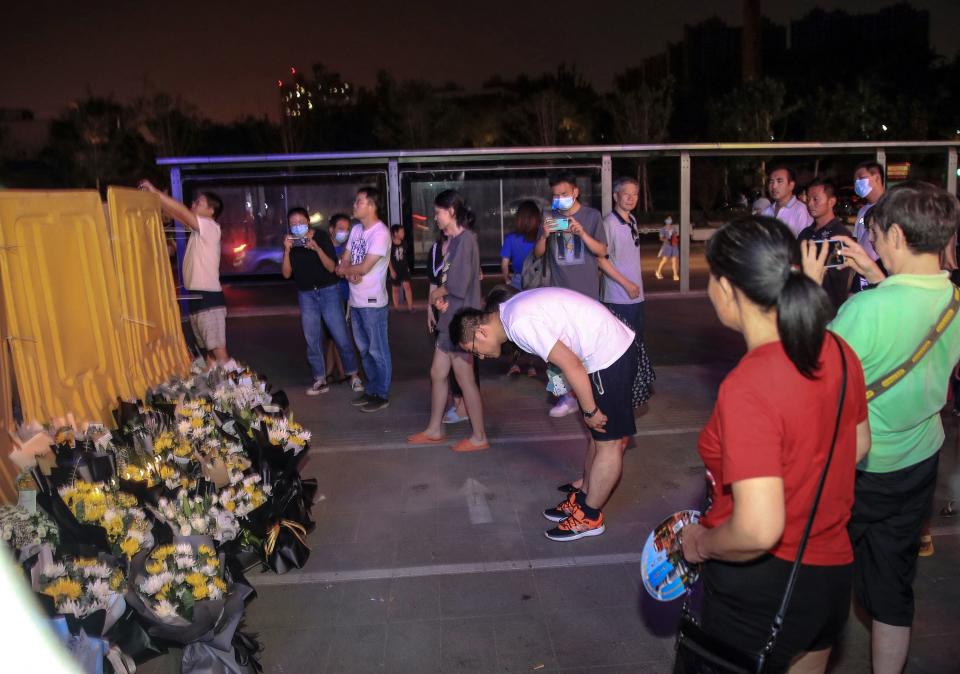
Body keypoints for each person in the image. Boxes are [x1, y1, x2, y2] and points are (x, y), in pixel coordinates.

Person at [679, 215, 870, 673]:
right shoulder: (838, 349)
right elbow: (859, 445)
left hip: (760, 589)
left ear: (728, 289)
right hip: (829, 575)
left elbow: (759, 529)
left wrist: (700, 544)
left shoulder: (749, 383)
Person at [802, 181, 960, 674]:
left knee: (818, 577)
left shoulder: (864, 311)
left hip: (860, 468)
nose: (871, 246)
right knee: (892, 582)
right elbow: (913, 319)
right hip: (920, 461)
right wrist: (877, 274)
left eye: (875, 237)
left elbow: (810, 371)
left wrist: (807, 288)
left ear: (894, 234)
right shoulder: (954, 299)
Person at [452, 286, 653, 541]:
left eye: (473, 350)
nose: (478, 356)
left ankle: (590, 517)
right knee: (598, 438)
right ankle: (583, 501)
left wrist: (589, 409)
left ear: (480, 332)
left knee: (609, 443)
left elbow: (571, 364)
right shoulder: (511, 314)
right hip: (601, 352)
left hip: (608, 355)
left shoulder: (519, 323)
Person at [407, 190, 488, 452]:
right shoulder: (454, 241)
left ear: (452, 211)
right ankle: (434, 429)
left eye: (438, 212)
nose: (435, 217)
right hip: (450, 318)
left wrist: (438, 296)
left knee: (465, 380)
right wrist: (441, 301)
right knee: (437, 373)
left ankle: (479, 437)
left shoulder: (466, 240)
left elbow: (458, 284)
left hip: (461, 324)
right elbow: (450, 284)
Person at [533, 171, 608, 418]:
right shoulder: (549, 216)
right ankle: (563, 396)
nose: (559, 200)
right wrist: (544, 235)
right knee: (556, 351)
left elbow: (602, 251)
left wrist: (582, 234)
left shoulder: (592, 216)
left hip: (587, 297)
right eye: (555, 196)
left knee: (588, 350)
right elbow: (539, 253)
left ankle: (589, 394)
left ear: (576, 192)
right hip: (558, 296)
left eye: (564, 195)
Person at [138, 179, 229, 364]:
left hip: (208, 299)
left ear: (211, 211)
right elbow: (177, 213)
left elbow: (180, 211)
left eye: (199, 202)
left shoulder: (210, 227)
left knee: (220, 355)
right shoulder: (198, 230)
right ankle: (220, 392)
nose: (193, 204)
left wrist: (155, 191)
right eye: (194, 202)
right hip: (199, 299)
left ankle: (243, 392)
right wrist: (157, 198)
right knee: (210, 357)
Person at [281, 207, 363, 396]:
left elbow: (331, 266)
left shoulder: (322, 237)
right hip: (306, 294)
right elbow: (286, 273)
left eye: (300, 222)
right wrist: (286, 250)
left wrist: (316, 248)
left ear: (308, 222)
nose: (297, 226)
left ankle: (354, 375)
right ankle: (319, 378)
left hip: (328, 291)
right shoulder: (291, 243)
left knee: (340, 334)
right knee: (312, 337)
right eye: (293, 223)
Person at [337, 187, 392, 413]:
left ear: (371, 205)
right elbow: (345, 259)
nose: (354, 205)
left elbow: (365, 266)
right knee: (364, 350)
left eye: (359, 201)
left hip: (373, 302)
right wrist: (349, 270)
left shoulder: (380, 233)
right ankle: (371, 390)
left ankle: (382, 393)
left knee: (378, 350)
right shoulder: (357, 230)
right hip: (356, 300)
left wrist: (348, 270)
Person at [797, 178, 853, 312]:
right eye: (808, 199)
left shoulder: (840, 234)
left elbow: (839, 276)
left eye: (816, 199)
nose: (810, 204)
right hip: (806, 304)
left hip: (829, 308)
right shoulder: (805, 233)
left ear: (831, 201)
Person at [600, 178, 645, 339]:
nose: (631, 198)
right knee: (622, 344)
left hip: (635, 294)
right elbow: (600, 259)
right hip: (618, 297)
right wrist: (627, 284)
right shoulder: (609, 223)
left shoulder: (632, 220)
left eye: (635, 194)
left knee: (636, 342)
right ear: (615, 196)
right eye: (626, 194)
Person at [762, 165, 813, 238]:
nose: (774, 186)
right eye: (771, 181)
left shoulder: (801, 210)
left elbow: (805, 242)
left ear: (791, 185)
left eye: (779, 181)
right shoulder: (766, 212)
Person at [500, 200, 539, 291]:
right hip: (538, 278)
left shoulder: (510, 238)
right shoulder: (541, 237)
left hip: (518, 279)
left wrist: (507, 279)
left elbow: (504, 264)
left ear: (519, 218)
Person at [388, 224, 414, 312]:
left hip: (404, 268)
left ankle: (410, 307)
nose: (403, 234)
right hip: (395, 268)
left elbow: (406, 256)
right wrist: (391, 271)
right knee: (395, 288)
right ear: (395, 233)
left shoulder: (404, 243)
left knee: (407, 286)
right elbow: (388, 258)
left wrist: (407, 267)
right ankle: (396, 308)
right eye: (401, 232)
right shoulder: (389, 244)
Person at [655, 216, 680, 281]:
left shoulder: (674, 228)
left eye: (670, 220)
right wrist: (667, 240)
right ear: (666, 222)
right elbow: (661, 238)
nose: (669, 222)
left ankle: (675, 275)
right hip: (667, 246)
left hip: (674, 246)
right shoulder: (663, 229)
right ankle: (658, 272)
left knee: (674, 261)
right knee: (664, 260)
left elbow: (676, 236)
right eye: (668, 220)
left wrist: (675, 239)